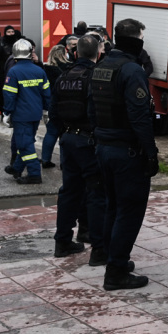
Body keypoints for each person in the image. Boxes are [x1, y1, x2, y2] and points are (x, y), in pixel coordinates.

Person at [90, 18, 159, 291]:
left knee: (113, 207)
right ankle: (116, 271)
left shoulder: (102, 66)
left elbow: (91, 109)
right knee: (129, 211)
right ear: (135, 40)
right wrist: (151, 154)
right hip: (126, 151)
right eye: (141, 38)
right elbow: (140, 116)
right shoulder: (131, 70)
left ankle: (114, 258)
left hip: (104, 147)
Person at [48, 35, 107, 261]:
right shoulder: (94, 77)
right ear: (98, 54)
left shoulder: (63, 77)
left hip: (68, 140)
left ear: (75, 52)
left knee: (69, 193)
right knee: (95, 193)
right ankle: (97, 246)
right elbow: (96, 112)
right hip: (89, 141)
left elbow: (53, 112)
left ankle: (62, 241)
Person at [2, 39, 50, 185]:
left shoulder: (14, 71)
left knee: (24, 145)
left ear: (15, 55)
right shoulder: (39, 70)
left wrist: (7, 112)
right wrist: (47, 110)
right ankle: (16, 168)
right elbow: (47, 93)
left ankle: (34, 174)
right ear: (30, 53)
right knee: (24, 141)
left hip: (21, 115)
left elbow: (9, 95)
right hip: (35, 114)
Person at [41, 45, 71, 169]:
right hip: (65, 105)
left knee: (51, 133)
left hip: (49, 105)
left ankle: (45, 159)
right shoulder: (68, 68)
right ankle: (64, 163)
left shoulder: (44, 69)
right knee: (64, 135)